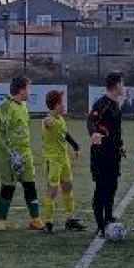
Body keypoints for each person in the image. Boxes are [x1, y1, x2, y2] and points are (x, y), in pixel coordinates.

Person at [0, 76, 40, 230]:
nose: (30, 91)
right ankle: (1, 221)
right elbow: (0, 134)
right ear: (21, 90)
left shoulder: (24, 106)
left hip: (25, 152)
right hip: (10, 155)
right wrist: (11, 154)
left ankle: (35, 219)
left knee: (30, 184)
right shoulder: (6, 106)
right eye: (29, 88)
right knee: (8, 186)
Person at [40, 89, 85, 233]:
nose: (64, 106)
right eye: (61, 103)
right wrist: (47, 120)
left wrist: (76, 146)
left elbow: (65, 134)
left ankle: (69, 219)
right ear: (55, 105)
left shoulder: (60, 119)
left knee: (68, 187)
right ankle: (48, 222)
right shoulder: (49, 120)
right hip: (53, 160)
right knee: (52, 190)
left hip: (64, 158)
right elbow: (47, 123)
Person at [87, 72, 126, 237]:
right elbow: (90, 120)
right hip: (101, 154)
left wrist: (120, 146)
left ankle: (108, 216)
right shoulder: (102, 104)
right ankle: (100, 224)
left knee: (112, 187)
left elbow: (115, 131)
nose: (124, 87)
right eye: (123, 84)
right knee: (101, 188)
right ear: (117, 85)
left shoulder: (116, 104)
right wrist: (93, 133)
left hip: (113, 154)